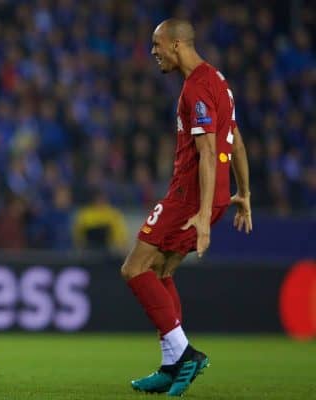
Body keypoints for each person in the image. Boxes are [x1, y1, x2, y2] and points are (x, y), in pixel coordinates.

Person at [120, 19, 252, 396]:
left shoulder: (194, 89)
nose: (153, 52)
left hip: (188, 199)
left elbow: (209, 151)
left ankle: (183, 355)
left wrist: (203, 220)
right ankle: (169, 365)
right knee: (160, 273)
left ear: (177, 44)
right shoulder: (219, 81)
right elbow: (237, 142)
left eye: (157, 45)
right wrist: (244, 192)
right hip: (214, 198)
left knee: (133, 268)